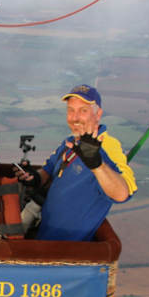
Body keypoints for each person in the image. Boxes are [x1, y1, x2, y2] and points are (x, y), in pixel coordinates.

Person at [18, 84, 136, 241]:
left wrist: (97, 164)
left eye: (83, 111)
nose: (75, 118)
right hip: (45, 236)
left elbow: (122, 193)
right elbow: (50, 168)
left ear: (98, 114)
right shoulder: (69, 143)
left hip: (68, 249)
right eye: (71, 110)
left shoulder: (108, 146)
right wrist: (35, 177)